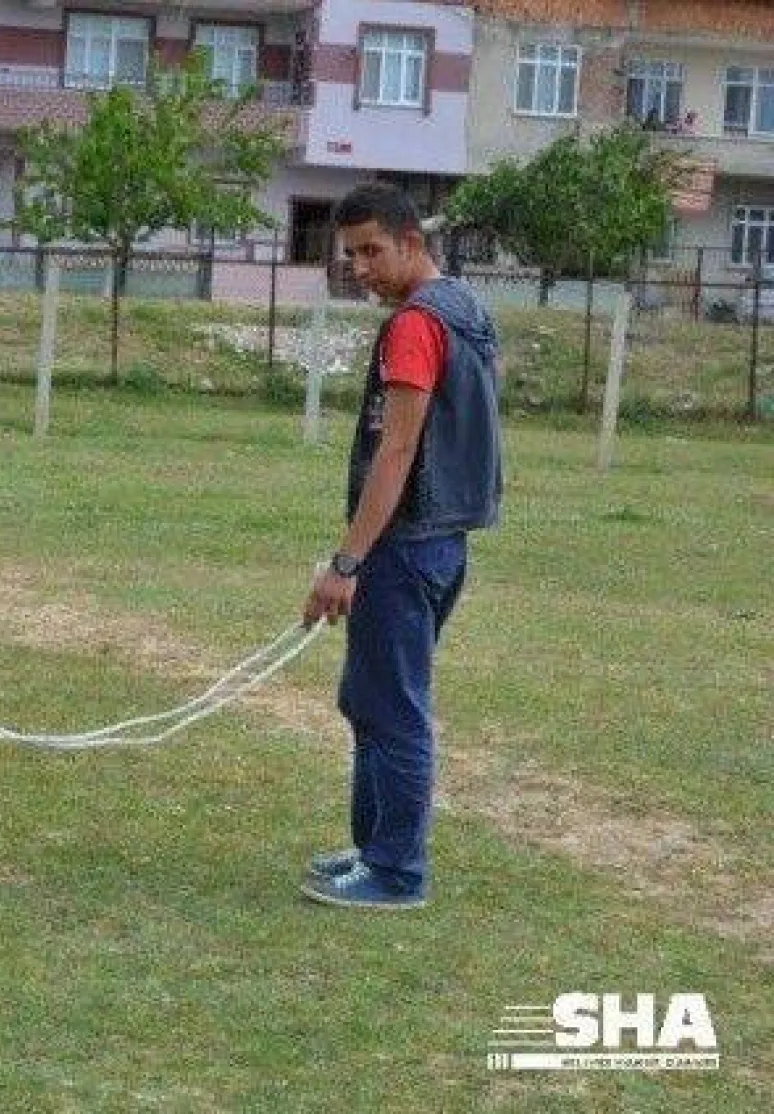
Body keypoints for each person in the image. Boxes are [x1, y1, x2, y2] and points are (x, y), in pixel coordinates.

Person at [298, 182, 503, 910]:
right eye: (350, 254)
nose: (360, 267)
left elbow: (400, 449)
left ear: (412, 241)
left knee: (392, 708)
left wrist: (346, 562)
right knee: (370, 697)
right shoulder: (468, 309)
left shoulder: (416, 324)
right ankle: (371, 848)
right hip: (444, 541)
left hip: (404, 544)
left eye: (372, 251)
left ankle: (394, 872)